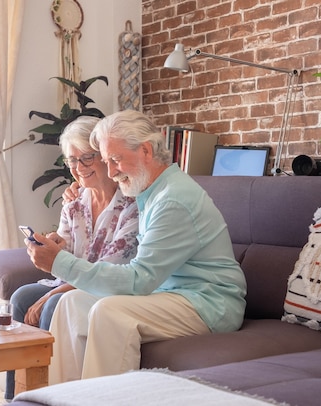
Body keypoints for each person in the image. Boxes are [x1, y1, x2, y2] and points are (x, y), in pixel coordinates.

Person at [25, 109, 247, 385]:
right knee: (71, 303)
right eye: (106, 161)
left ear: (145, 151)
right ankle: (61, 399)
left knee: (110, 313)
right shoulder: (150, 192)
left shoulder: (172, 200)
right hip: (170, 293)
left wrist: (59, 262)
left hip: (207, 302)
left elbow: (139, 280)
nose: (111, 172)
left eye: (116, 160)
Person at [5, 116, 139, 400]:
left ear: (105, 156)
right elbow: (63, 261)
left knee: (51, 302)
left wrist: (52, 290)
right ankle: (17, 396)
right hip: (72, 283)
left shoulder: (131, 205)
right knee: (19, 298)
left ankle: (50, 395)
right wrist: (53, 246)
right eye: (72, 161)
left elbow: (110, 270)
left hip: (107, 287)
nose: (78, 169)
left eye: (86, 158)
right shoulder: (74, 204)